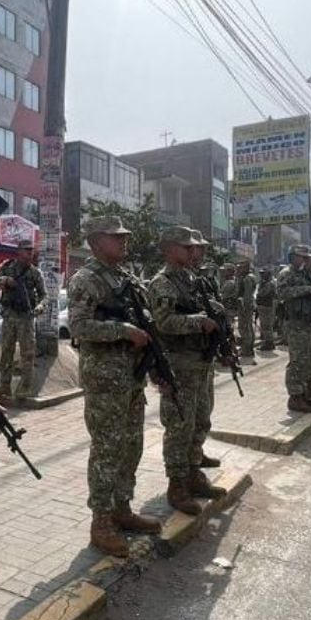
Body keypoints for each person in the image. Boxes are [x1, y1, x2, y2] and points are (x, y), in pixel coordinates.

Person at [67, 216, 167, 557]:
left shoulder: (127, 279)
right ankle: (101, 521)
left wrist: (155, 367)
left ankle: (122, 507)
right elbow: (79, 327)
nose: (123, 241)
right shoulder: (86, 279)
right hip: (105, 380)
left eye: (124, 236)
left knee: (132, 446)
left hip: (131, 378)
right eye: (115, 237)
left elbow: (145, 324)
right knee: (107, 450)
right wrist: (123, 331)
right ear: (96, 243)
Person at [147, 227, 228, 516]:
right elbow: (163, 322)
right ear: (169, 249)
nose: (193, 251)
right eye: (186, 247)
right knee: (179, 425)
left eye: (193, 247)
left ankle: (194, 473)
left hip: (200, 362)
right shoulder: (163, 282)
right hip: (179, 364)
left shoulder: (192, 279)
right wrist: (198, 322)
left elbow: (201, 309)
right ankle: (177, 484)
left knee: (200, 420)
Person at [0, 242, 47, 405]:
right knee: (6, 351)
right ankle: (4, 385)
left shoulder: (35, 273)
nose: (30, 254)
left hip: (26, 317)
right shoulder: (7, 267)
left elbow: (44, 295)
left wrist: (40, 306)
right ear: (19, 252)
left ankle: (24, 388)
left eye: (31, 251)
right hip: (9, 315)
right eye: (26, 251)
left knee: (27, 353)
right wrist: (6, 280)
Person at [276, 246, 311, 412]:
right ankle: (295, 397)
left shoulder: (303, 273)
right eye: (302, 257)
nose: (305, 261)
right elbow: (282, 293)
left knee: (308, 359)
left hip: (307, 323)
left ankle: (304, 392)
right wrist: (306, 290)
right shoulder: (286, 273)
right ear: (293, 257)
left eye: (306, 258)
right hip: (295, 324)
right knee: (297, 360)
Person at [256, 266, 281, 352]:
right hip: (263, 306)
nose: (262, 275)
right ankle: (268, 342)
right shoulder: (264, 282)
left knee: (267, 326)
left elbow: (262, 293)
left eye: (264, 274)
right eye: (261, 274)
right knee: (264, 325)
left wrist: (259, 295)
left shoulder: (270, 283)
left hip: (267, 306)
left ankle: (269, 343)